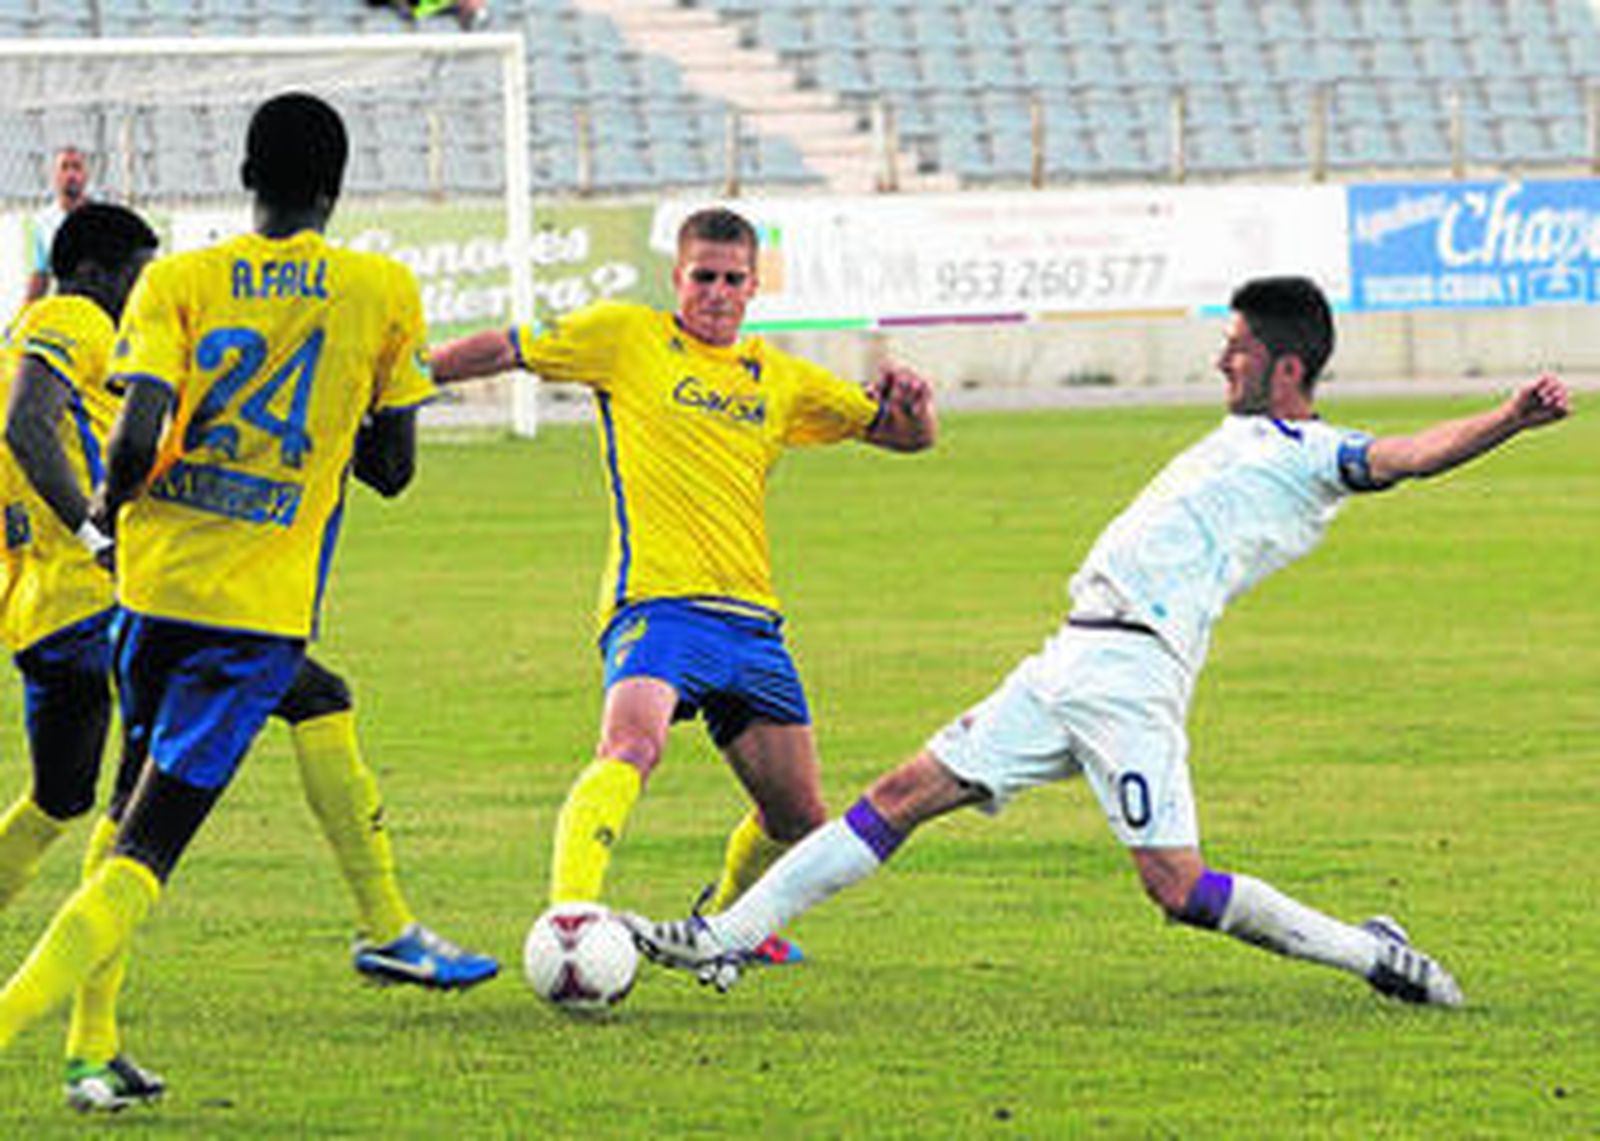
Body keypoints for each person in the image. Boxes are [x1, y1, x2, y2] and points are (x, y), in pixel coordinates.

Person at [625, 276, 1573, 1006]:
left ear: (1288, 367)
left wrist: (1509, 418)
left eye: (1236, 349)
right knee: (901, 794)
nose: (1220, 361)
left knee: (1176, 887)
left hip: (1133, 676)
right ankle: (726, 935)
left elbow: (1408, 457)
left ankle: (1375, 953)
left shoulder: (1316, 456)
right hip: (1069, 655)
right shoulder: (1235, 436)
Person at [0, 91, 469, 1105]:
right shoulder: (381, 287)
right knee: (147, 856)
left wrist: (117, 510)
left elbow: (133, 434)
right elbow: (392, 468)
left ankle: (93, 1049)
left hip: (146, 595)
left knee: (118, 809)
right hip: (250, 614)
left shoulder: (178, 278)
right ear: (336, 189)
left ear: (247, 178)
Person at [429, 206, 937, 962]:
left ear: (754, 285)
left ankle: (724, 931)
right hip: (659, 607)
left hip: (751, 622)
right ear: (677, 277)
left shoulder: (782, 377)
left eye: (734, 279)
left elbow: (901, 435)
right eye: (704, 276)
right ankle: (570, 921)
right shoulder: (626, 338)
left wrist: (916, 406)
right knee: (631, 743)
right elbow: (508, 348)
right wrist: (412, 374)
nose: (718, 293)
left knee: (798, 815)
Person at [23, 147, 92, 304]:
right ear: (54, 176)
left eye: (76, 167)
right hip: (64, 304)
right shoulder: (43, 222)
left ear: (86, 176)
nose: (71, 175)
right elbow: (40, 275)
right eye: (64, 167)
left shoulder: (101, 217)